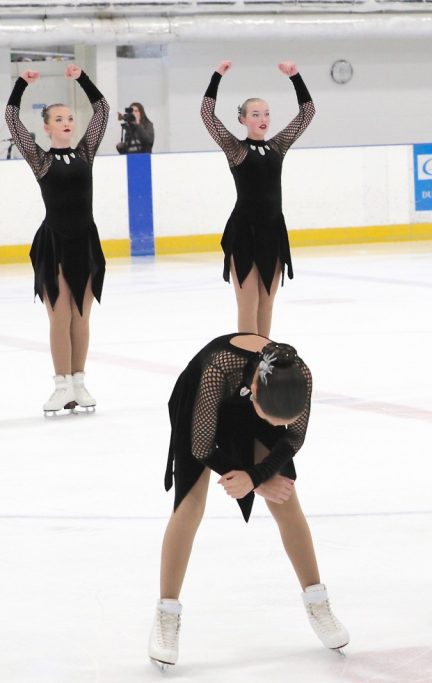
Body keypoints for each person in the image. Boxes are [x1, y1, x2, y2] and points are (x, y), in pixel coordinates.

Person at [149, 335, 348, 668]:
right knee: (190, 505)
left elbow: (294, 436)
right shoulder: (217, 369)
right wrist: (247, 478)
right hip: (199, 404)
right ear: (255, 393)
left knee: (285, 496)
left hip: (254, 403)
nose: (275, 427)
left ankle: (318, 603)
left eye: (277, 422)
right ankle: (166, 614)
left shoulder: (298, 376)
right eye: (270, 419)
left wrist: (258, 478)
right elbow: (201, 448)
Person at [4, 64, 109, 416]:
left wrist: (82, 79)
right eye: (59, 119)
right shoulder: (40, 160)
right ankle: (61, 385)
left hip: (86, 242)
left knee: (82, 316)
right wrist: (21, 84)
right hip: (55, 243)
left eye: (69, 118)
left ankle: (79, 382)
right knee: (59, 316)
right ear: (47, 127)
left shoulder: (85, 153)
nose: (67, 123)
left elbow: (102, 110)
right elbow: (12, 119)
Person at [201, 60, 316, 337]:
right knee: (248, 305)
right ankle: (248, 366)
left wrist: (296, 77)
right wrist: (217, 76)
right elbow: (207, 114)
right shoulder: (236, 150)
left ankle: (263, 366)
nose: (262, 118)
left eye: (265, 113)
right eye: (255, 114)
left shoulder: (278, 146)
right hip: (244, 233)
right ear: (242, 119)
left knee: (266, 305)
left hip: (273, 231)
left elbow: (307, 112)